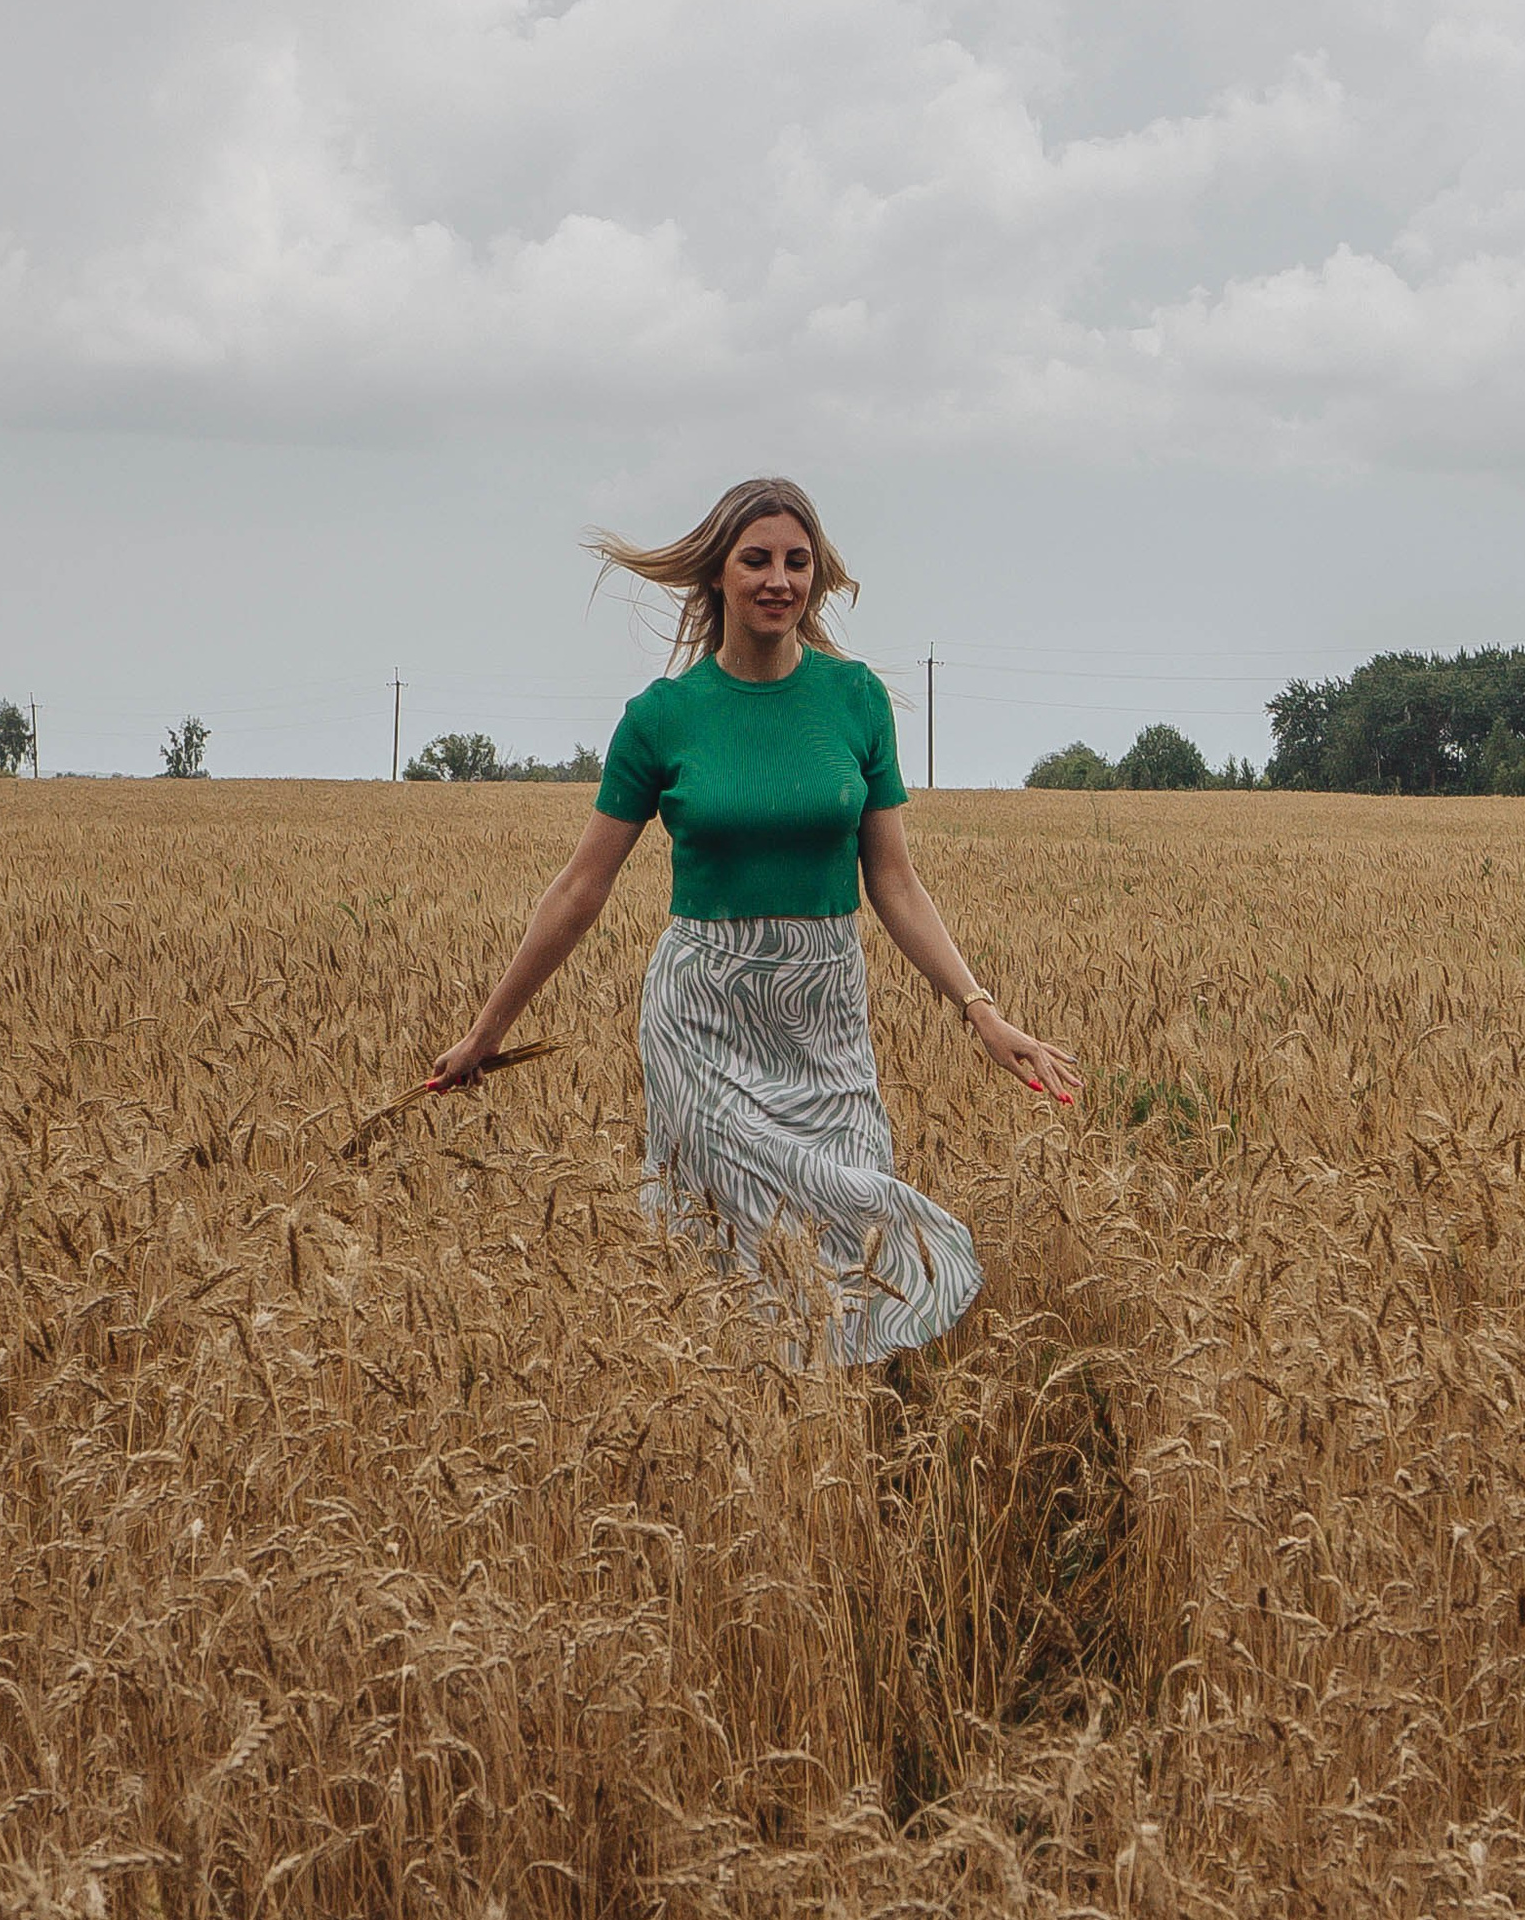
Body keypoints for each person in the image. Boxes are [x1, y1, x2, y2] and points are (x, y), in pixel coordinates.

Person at [431, 478, 1080, 1360]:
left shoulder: (855, 701)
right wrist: (483, 1034)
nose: (779, 579)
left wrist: (981, 1011)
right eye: (757, 559)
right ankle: (747, 1432)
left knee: (856, 1216)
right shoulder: (661, 720)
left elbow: (894, 883)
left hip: (826, 1012)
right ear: (717, 575)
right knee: (731, 1240)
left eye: (797, 562)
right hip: (703, 1016)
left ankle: (837, 1433)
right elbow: (579, 891)